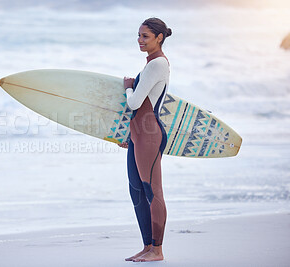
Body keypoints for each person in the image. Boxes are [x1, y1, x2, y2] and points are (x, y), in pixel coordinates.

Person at [119, 17, 172, 262]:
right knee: (136, 191)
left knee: (153, 192)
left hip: (150, 135)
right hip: (138, 134)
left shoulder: (158, 64)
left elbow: (135, 102)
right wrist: (130, 134)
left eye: (145, 36)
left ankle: (158, 250)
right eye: (138, 36)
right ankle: (147, 246)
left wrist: (128, 86)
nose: (140, 41)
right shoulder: (150, 65)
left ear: (159, 38)